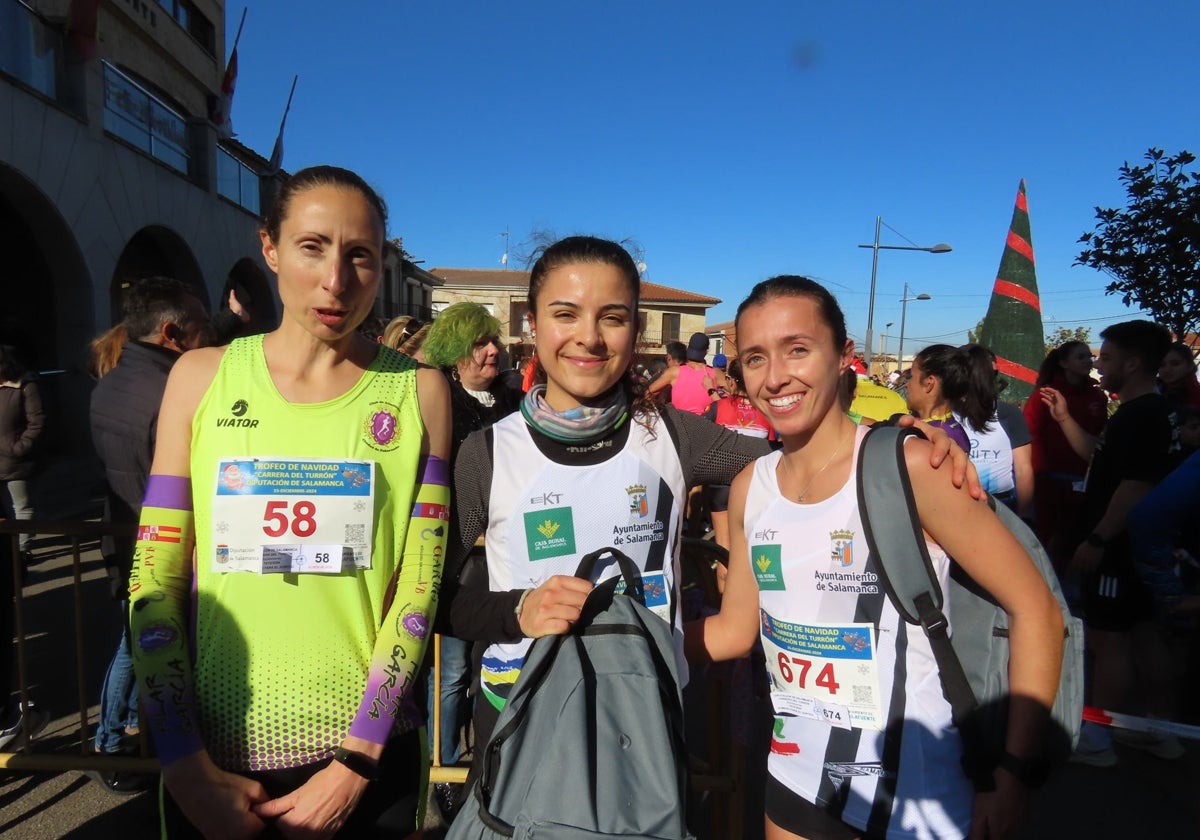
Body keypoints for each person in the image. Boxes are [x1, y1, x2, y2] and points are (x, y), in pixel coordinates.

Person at [437, 238, 976, 793]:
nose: (589, 337)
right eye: (565, 314)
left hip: (644, 720)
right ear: (531, 326)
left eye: (613, 317)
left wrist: (892, 445)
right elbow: (431, 604)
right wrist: (519, 610)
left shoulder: (672, 434)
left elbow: (806, 461)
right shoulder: (488, 452)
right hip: (520, 722)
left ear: (637, 330)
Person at [127, 165, 451, 839]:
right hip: (213, 763)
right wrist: (184, 764)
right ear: (270, 247)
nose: (336, 281)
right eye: (312, 247)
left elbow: (417, 589)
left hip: (367, 762)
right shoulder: (201, 376)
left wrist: (357, 761)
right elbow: (152, 577)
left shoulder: (419, 392)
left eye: (359, 255)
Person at [689, 275, 1064, 840]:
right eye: (755, 358)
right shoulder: (750, 487)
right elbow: (735, 633)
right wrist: (622, 637)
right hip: (794, 781)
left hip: (916, 799)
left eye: (798, 350)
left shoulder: (911, 468)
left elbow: (1038, 611)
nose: (776, 378)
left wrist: (1010, 776)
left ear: (845, 358)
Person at [89, 276, 213, 794]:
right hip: (161, 546)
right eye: (202, 328)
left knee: (133, 642)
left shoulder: (115, 376)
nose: (209, 340)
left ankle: (114, 737)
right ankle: (115, 740)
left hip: (125, 534)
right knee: (138, 648)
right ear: (171, 333)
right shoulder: (169, 392)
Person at [1039, 320, 1180, 767]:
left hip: (1119, 546)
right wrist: (1064, 418)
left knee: (1109, 641)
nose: (1099, 365)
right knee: (1141, 633)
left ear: (1133, 363)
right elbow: (1099, 460)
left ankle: (1097, 740)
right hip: (1133, 545)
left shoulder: (1144, 416)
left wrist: (1098, 538)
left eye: (1106, 357)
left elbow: (1135, 485)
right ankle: (1156, 729)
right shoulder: (1143, 412)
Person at [420, 301, 521, 822]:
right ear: (454, 353)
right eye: (479, 344)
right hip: (456, 559)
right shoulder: (438, 400)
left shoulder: (515, 399)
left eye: (494, 342)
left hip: (506, 558)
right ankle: (449, 771)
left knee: (498, 665)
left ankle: (497, 759)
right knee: (454, 669)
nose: (492, 352)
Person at [1023, 341, 1108, 570]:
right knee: (1047, 538)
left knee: (1077, 537)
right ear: (1064, 363)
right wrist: (1039, 472)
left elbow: (1101, 437)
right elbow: (1032, 435)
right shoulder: (1045, 394)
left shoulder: (1098, 397)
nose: (1087, 361)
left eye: (1088, 356)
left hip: (1086, 480)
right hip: (1051, 480)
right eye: (1080, 357)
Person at [954, 344, 1034, 518]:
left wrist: (1025, 516)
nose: (993, 380)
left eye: (995, 374)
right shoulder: (945, 413)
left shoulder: (1009, 414)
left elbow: (1023, 469)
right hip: (957, 503)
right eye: (989, 374)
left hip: (1002, 505)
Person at [703, 358, 775, 549]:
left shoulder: (718, 407)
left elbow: (699, 437)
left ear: (732, 382)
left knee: (724, 547)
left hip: (721, 484)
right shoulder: (767, 410)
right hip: (755, 484)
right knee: (752, 545)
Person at [0, 344, 45, 566]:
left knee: (22, 507)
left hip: (15, 461)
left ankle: (23, 550)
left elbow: (36, 422)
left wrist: (20, 447)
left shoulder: (25, 387)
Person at [904, 344, 972, 453]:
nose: (907, 385)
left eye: (911, 377)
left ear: (929, 383)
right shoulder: (950, 428)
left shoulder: (933, 438)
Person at [647, 332, 718, 414]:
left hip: (678, 424)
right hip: (707, 424)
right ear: (706, 351)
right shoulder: (716, 373)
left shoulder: (673, 372)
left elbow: (648, 393)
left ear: (688, 348)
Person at [1158, 341, 1200, 468]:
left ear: (1189, 365)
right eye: (1162, 365)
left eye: (1175, 364)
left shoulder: (1196, 396)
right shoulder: (1153, 393)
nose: (1168, 369)